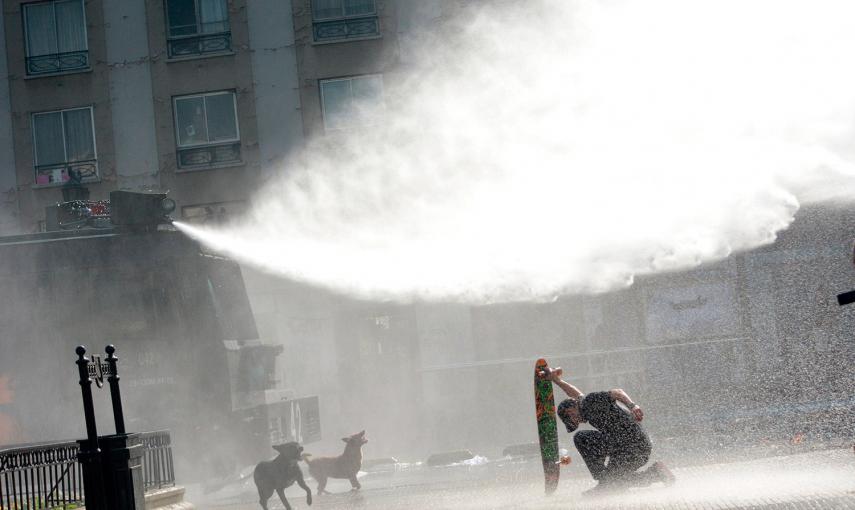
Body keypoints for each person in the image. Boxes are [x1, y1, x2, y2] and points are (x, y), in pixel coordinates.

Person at [546, 367, 675, 495]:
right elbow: (574, 393)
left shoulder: (590, 402)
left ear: (570, 410)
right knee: (614, 483)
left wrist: (633, 406)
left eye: (574, 419)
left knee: (581, 438)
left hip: (634, 446)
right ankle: (654, 473)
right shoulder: (584, 405)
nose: (579, 422)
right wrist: (556, 380)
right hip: (626, 446)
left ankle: (606, 481)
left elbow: (617, 392)